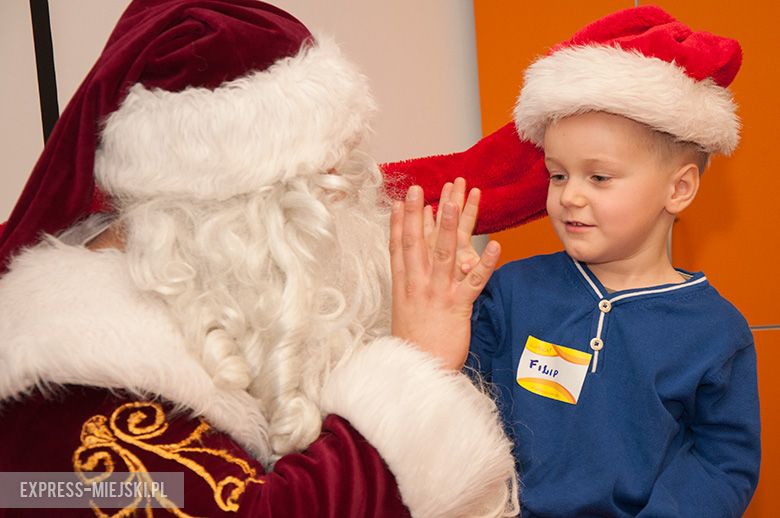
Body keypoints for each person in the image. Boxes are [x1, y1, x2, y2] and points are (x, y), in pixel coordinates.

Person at [0, 1, 523, 516]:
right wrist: (413, 367)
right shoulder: (71, 389)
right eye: (326, 187)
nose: (349, 208)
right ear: (242, 217)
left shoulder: (213, 300)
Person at [391, 5, 760, 517]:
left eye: (599, 177)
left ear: (679, 188)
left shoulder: (717, 332)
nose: (570, 197)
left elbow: (724, 463)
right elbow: (450, 411)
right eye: (558, 175)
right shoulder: (512, 290)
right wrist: (433, 342)